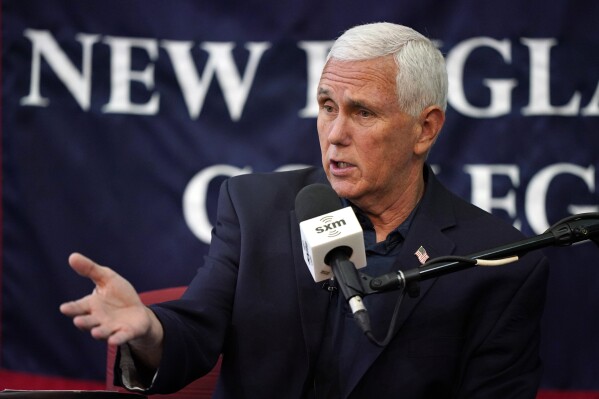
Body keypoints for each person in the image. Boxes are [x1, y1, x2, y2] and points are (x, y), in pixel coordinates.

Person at [60, 22, 549, 398]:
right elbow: (195, 330)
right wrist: (150, 329)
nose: (335, 133)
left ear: (425, 129)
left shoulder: (498, 262)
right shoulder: (256, 210)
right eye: (327, 105)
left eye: (363, 112)